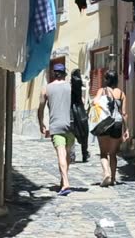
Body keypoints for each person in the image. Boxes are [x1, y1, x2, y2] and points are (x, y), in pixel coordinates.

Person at [38, 63, 75, 196]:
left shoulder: (46, 89)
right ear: (64, 73)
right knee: (67, 154)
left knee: (61, 154)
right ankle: (64, 180)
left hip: (56, 126)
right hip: (71, 126)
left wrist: (41, 123)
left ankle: (65, 183)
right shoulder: (70, 87)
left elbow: (40, 108)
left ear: (54, 73)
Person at [93, 71, 129, 187]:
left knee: (103, 153)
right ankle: (113, 178)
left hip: (104, 123)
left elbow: (95, 102)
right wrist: (126, 129)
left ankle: (106, 173)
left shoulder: (102, 91)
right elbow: (124, 113)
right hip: (117, 123)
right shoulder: (122, 94)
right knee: (113, 154)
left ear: (106, 80)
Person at [70, 69, 90, 162]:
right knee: (84, 134)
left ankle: (72, 156)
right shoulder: (78, 84)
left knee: (72, 134)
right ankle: (84, 154)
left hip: (72, 111)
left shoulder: (70, 87)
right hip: (80, 111)